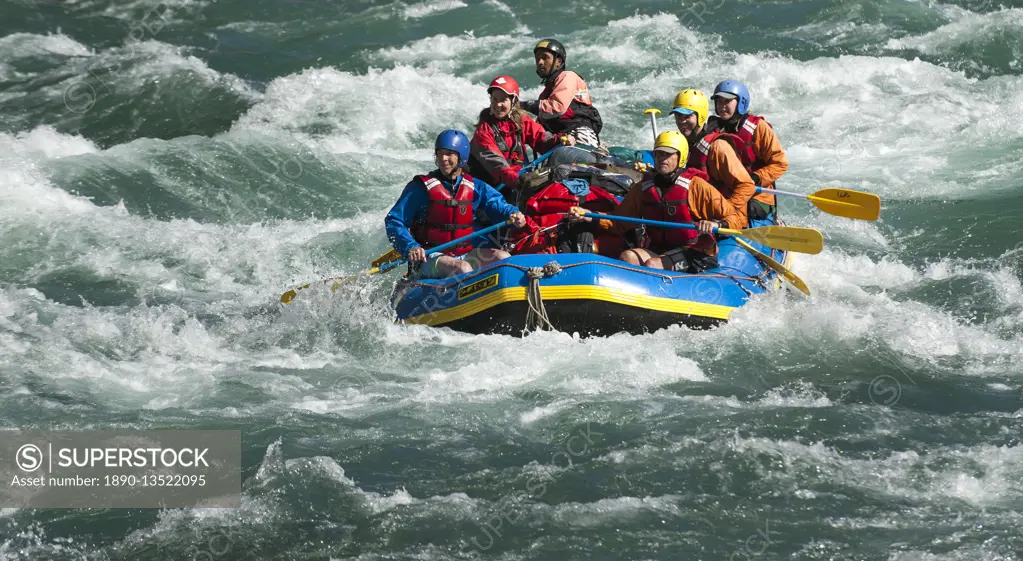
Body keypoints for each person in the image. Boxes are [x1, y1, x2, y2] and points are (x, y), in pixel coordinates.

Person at [565, 131, 742, 272]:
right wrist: (589, 216)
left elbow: (734, 218)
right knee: (628, 257)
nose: (661, 159)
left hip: (696, 252)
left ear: (680, 157)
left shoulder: (697, 186)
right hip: (661, 250)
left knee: (653, 264)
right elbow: (619, 221)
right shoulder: (644, 188)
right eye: (658, 154)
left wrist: (714, 223)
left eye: (667, 155)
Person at [384, 130, 527, 278]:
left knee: (503, 258)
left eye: (449, 154)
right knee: (462, 268)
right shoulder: (420, 188)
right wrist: (411, 246)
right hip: (430, 257)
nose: (443, 158)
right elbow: (394, 220)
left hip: (464, 253)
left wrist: (513, 213)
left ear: (461, 157)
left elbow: (499, 205)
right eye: (440, 153)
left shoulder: (475, 186)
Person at [468, 74, 575, 191]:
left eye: (503, 100)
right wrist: (521, 182)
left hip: (517, 181)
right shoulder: (483, 131)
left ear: (513, 101)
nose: (498, 104)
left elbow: (543, 140)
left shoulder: (521, 120)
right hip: (492, 189)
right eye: (494, 99)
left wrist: (560, 139)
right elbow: (497, 166)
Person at [670, 88, 757, 227]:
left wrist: (724, 217)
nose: (681, 121)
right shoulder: (684, 143)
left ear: (701, 117)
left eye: (687, 116)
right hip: (700, 214)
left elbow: (746, 186)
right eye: (678, 116)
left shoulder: (717, 147)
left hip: (727, 220)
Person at [704, 80, 788, 219]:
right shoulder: (713, 128)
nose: (722, 106)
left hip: (758, 197)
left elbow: (779, 163)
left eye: (727, 101)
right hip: (728, 193)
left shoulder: (758, 127)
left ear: (741, 103)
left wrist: (754, 178)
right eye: (719, 101)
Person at [519, 39, 603, 148]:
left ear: (558, 61)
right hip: (560, 138)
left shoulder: (568, 76)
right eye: (537, 59)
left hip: (578, 133)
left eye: (545, 57)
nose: (540, 62)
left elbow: (558, 107)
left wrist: (523, 105)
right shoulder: (546, 93)